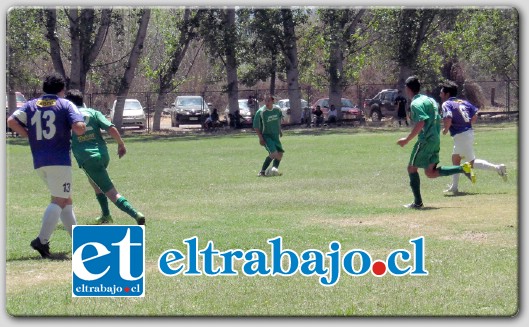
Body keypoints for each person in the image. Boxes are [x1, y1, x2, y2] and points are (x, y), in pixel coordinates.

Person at [7, 72, 86, 258]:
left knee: (65, 199)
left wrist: (29, 135)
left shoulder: (30, 104)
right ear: (62, 90)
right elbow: (79, 128)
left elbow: (11, 121)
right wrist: (79, 125)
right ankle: (41, 241)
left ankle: (79, 242)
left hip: (39, 160)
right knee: (59, 199)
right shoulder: (65, 103)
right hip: (59, 159)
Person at [65, 89, 145, 225]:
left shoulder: (68, 116)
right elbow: (111, 128)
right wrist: (121, 144)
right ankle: (106, 215)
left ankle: (136, 214)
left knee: (110, 191)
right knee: (95, 182)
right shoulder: (93, 112)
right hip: (103, 154)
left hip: (88, 157)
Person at [396, 76, 475, 209]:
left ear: (408, 89)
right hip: (435, 140)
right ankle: (463, 168)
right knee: (430, 172)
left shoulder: (415, 104)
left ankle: (418, 203)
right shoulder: (430, 100)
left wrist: (407, 139)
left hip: (425, 141)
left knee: (411, 168)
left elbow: (421, 121)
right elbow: (436, 117)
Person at [439, 80, 507, 194]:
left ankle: (498, 168)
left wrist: (445, 129)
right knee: (461, 160)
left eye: (441, 92)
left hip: (461, 135)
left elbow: (448, 118)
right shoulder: (463, 102)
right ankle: (454, 187)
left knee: (464, 161)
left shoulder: (446, 104)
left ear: (447, 94)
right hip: (468, 133)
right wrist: (467, 123)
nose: (440, 94)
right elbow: (475, 114)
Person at [253, 95, 284, 177]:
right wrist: (260, 138)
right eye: (265, 101)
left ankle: (274, 170)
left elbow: (278, 120)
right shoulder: (261, 112)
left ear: (273, 101)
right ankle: (262, 172)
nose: (266, 102)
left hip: (275, 135)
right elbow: (256, 126)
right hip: (266, 136)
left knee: (280, 154)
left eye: (268, 101)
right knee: (274, 153)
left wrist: (280, 130)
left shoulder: (277, 109)